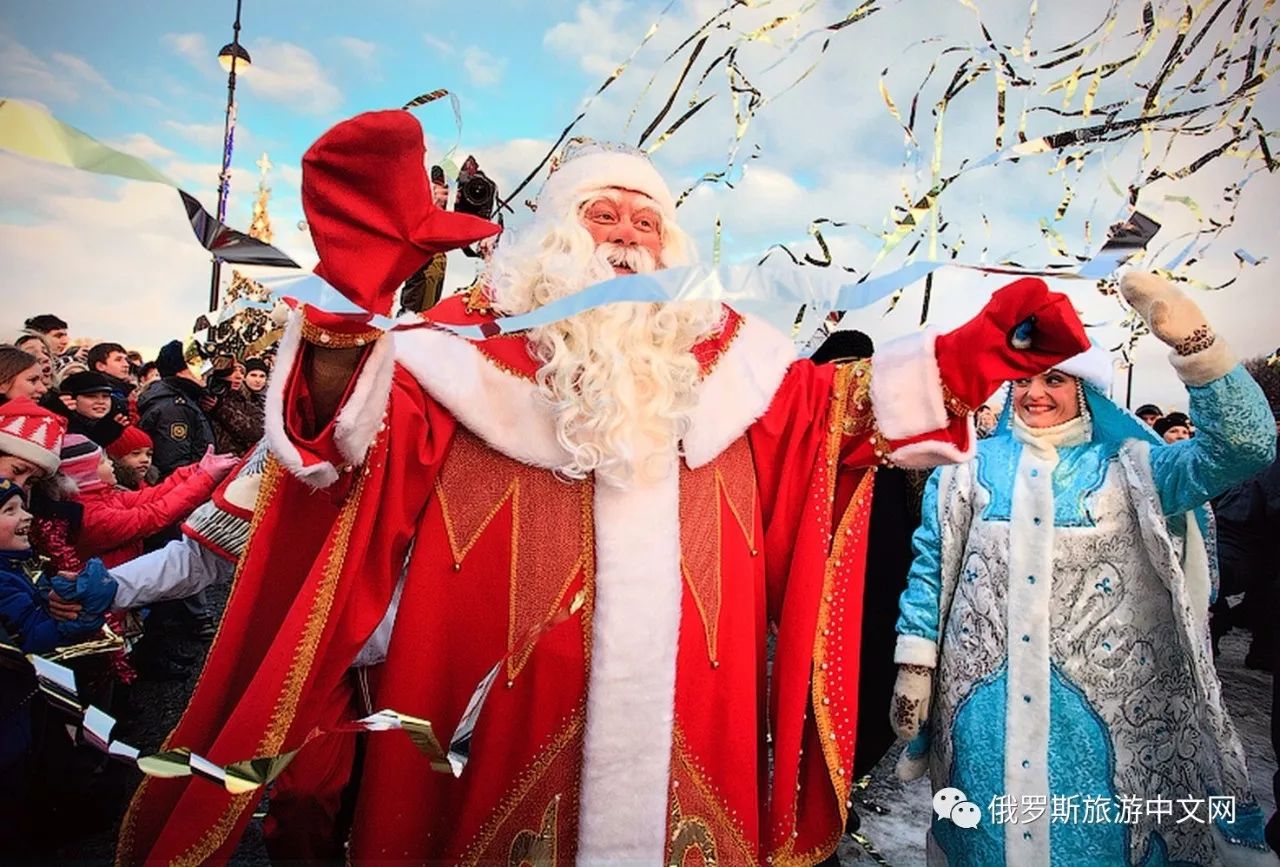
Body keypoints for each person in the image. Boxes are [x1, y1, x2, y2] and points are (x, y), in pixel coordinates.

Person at [119, 112, 1090, 865]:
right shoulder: (459, 350)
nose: (626, 235)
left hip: (686, 748)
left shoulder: (735, 365)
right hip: (476, 733)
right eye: (601, 214)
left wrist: (968, 358)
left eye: (644, 218)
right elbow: (338, 456)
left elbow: (837, 417)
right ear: (554, 239)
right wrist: (345, 312)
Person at [892, 272, 1275, 865]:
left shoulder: (1137, 468)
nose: (1034, 393)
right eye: (1021, 380)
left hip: (1111, 726)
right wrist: (916, 662)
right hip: (982, 721)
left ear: (1088, 390)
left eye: (1054, 379)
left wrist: (1197, 345)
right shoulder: (967, 468)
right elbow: (931, 564)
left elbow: (1246, 447)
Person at [0, 479, 118, 854]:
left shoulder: (13, 567)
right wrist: (80, 618)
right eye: (10, 511)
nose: (28, 516)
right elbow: (30, 640)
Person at [137, 341, 215, 479]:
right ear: (180, 371)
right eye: (197, 365)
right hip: (186, 490)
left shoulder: (187, 399)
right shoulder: (174, 408)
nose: (205, 371)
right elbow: (175, 467)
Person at [206, 357, 265, 456]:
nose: (239, 376)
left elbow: (258, 432)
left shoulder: (244, 402)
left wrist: (220, 408)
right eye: (232, 371)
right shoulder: (203, 400)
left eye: (242, 372)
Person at [56, 370, 126, 447]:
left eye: (105, 396)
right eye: (91, 396)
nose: (101, 402)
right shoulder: (61, 429)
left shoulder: (114, 423)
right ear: (70, 399)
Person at [87, 341, 136, 422]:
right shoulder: (96, 391)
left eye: (126, 360)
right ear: (101, 366)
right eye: (118, 360)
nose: (126, 364)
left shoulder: (124, 391)